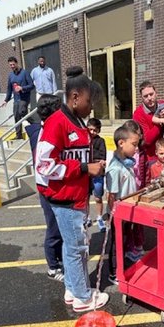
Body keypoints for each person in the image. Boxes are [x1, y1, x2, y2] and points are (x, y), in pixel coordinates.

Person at [35, 70, 108, 312]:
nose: (91, 107)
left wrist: (91, 166)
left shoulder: (77, 122)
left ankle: (72, 288)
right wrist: (85, 167)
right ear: (75, 97)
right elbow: (44, 165)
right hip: (66, 200)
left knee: (70, 247)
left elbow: (73, 157)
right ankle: (83, 297)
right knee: (77, 249)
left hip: (75, 197)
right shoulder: (57, 122)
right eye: (89, 101)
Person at [24, 92, 64, 280]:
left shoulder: (38, 130)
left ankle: (59, 259)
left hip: (53, 187)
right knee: (54, 228)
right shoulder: (42, 133)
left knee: (58, 227)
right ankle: (53, 267)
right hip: (47, 187)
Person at [102, 123, 141, 283]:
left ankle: (122, 263)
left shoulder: (127, 162)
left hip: (128, 211)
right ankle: (113, 272)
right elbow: (111, 196)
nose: (136, 149)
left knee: (123, 240)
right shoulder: (115, 168)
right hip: (118, 214)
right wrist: (113, 216)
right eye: (134, 144)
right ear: (121, 143)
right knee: (116, 243)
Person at [132, 81, 164, 188]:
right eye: (146, 96)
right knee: (152, 187)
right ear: (141, 98)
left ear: (156, 93)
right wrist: (160, 121)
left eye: (151, 94)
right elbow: (147, 139)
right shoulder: (138, 114)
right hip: (150, 158)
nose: (149, 98)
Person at [4, 55, 33, 138]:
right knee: (16, 116)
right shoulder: (11, 75)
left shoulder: (24, 73)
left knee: (22, 112)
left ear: (16, 63)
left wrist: (22, 88)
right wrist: (6, 100)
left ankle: (34, 123)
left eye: (13, 64)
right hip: (16, 99)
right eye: (10, 65)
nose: (12, 66)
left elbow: (32, 85)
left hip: (24, 98)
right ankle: (18, 135)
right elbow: (9, 89)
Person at [86, 117, 106, 229]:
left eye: (95, 130)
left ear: (98, 131)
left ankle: (99, 217)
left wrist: (101, 161)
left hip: (97, 173)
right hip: (86, 173)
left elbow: (102, 156)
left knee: (98, 197)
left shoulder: (100, 141)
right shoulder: (84, 140)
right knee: (86, 197)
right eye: (90, 129)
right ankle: (87, 217)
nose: (92, 132)